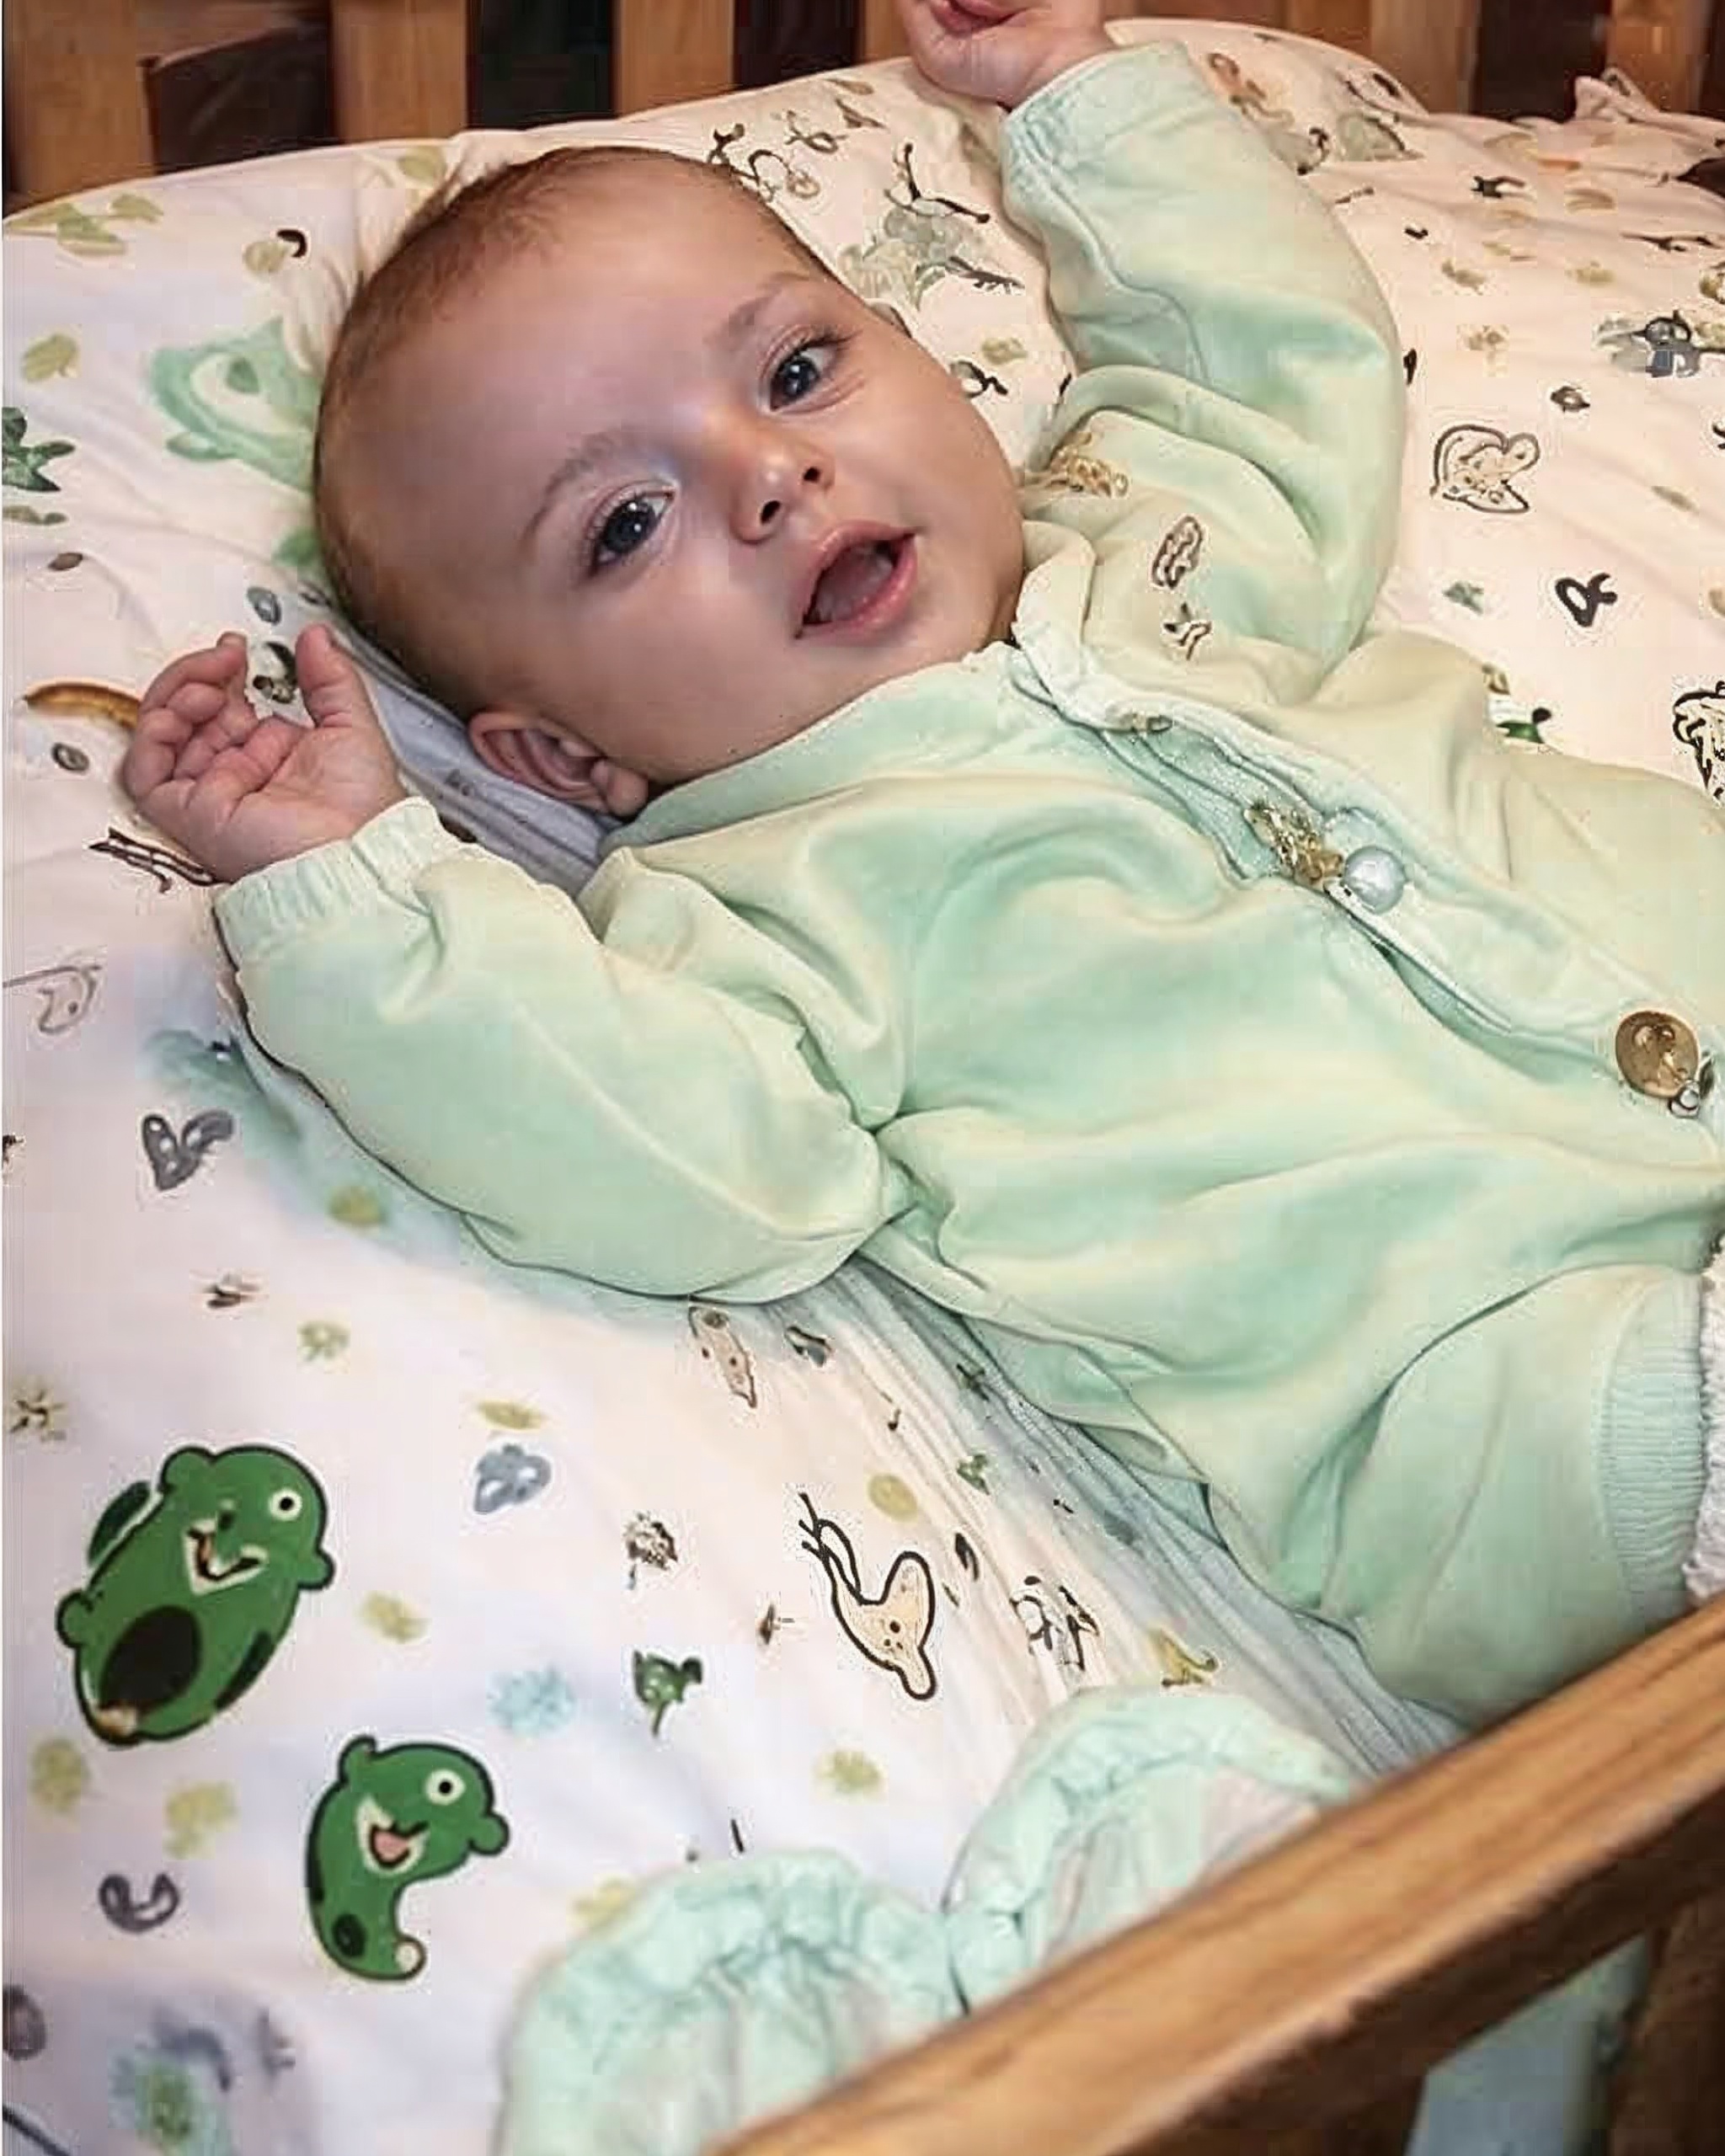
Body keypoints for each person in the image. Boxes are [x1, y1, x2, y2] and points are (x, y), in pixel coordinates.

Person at [120, 0, 1725, 1725]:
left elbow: (1266, 365)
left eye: (796, 371)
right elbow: (660, 1144)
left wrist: (1076, 99)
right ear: (567, 759)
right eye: (625, 525)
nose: (768, 473)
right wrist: (355, 895)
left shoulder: (1158, 546)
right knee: (1549, 1442)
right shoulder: (747, 916)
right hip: (1521, 1402)